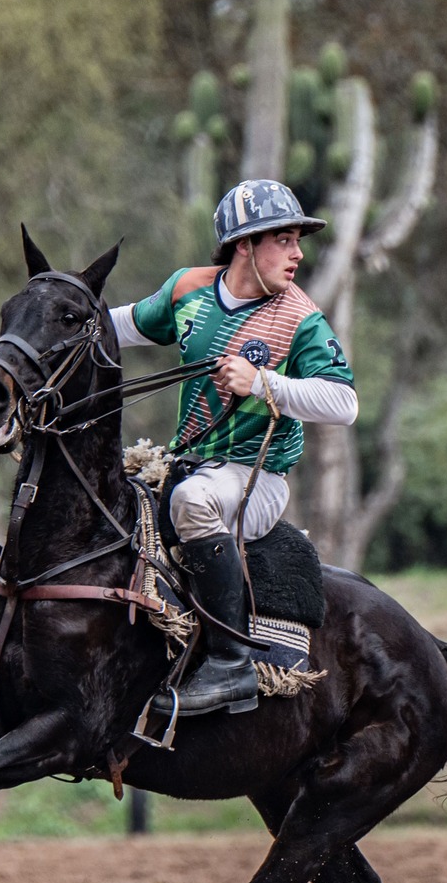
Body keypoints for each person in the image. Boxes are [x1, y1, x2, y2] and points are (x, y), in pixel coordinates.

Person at [108, 179, 358, 717]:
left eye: (298, 240)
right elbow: (120, 327)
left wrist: (264, 383)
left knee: (191, 502)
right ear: (245, 244)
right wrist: (31, 338)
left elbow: (343, 404)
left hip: (256, 479)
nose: (298, 253)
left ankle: (230, 663)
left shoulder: (300, 316)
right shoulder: (187, 289)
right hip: (183, 464)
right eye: (285, 240)